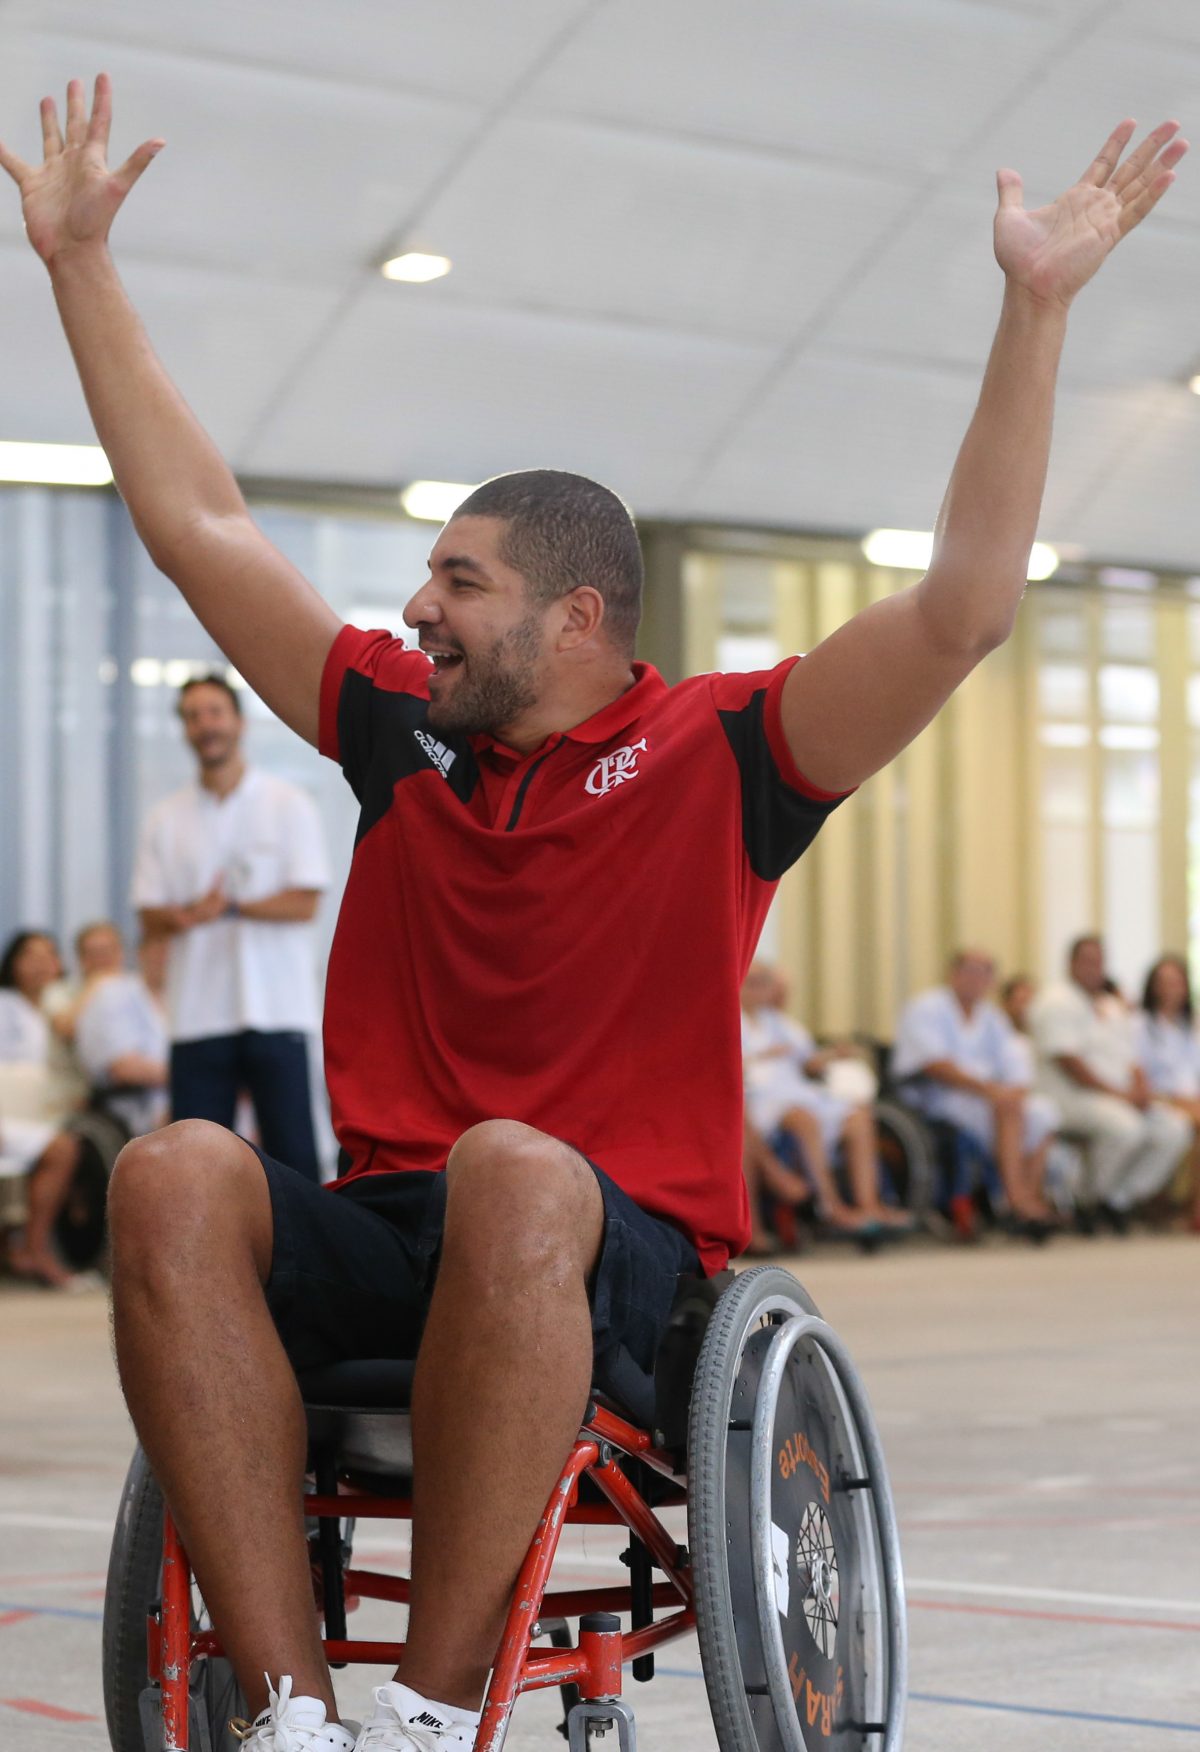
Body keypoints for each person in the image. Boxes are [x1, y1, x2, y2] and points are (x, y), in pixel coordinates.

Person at [0, 74, 1183, 1751]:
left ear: (573, 618)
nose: (418, 608)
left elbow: (964, 607)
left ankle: (426, 1716)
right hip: (397, 1227)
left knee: (513, 1164)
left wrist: (1036, 306)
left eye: (458, 581)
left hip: (611, 1254)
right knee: (173, 1167)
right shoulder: (397, 732)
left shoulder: (726, 748)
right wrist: (78, 267)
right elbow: (201, 529)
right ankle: (293, 1716)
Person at [132, 672, 330, 1180]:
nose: (205, 725)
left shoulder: (288, 803)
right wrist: (185, 915)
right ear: (184, 729)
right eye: (193, 716)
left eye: (214, 712)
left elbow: (306, 901)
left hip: (278, 1009)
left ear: (239, 722)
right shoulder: (165, 818)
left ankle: (301, 1239)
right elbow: (148, 912)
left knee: (293, 1157)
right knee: (195, 1166)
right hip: (198, 1014)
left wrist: (232, 908)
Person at [891, 950, 1058, 1234]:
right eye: (969, 971)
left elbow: (1015, 1065)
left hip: (988, 1098)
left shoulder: (992, 1017)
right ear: (953, 974)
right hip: (939, 1098)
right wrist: (992, 1091)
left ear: (991, 981)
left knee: (1044, 1113)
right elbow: (935, 1065)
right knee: (1008, 1107)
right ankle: (1015, 1200)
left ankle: (1031, 1196)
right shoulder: (927, 1008)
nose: (975, 979)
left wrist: (1013, 1091)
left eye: (983, 973)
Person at [1030, 935, 1190, 1230]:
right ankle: (1085, 1200)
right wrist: (1120, 1096)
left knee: (1173, 1128)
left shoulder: (1111, 1006)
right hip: (1070, 1097)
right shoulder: (1055, 1001)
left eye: (1099, 961)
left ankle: (1117, 1199)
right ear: (1071, 963)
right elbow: (1069, 1063)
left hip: (1120, 1096)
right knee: (1125, 1128)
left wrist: (1140, 1090)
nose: (1094, 967)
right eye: (1087, 960)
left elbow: (1131, 1057)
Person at [740, 963, 911, 1235]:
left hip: (796, 1091)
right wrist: (764, 1056)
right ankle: (831, 1207)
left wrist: (834, 1054)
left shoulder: (780, 1024)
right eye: (754, 983)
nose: (760, 990)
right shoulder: (731, 1021)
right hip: (758, 1098)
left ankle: (869, 1205)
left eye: (765, 984)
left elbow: (809, 1062)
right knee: (805, 1119)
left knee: (859, 1118)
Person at [0, 929, 86, 1285]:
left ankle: (29, 1250)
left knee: (74, 1143)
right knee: (62, 1149)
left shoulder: (62, 1005)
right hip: (7, 1117)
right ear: (13, 963)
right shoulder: (5, 1005)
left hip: (47, 1113)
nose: (40, 964)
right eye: (30, 956)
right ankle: (35, 1251)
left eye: (48, 955)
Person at [1134, 953, 1200, 1232]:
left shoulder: (1190, 1028)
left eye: (1177, 982)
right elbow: (1138, 1075)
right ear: (1152, 987)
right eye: (1164, 982)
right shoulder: (1140, 1025)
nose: (1171, 989)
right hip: (1160, 1100)